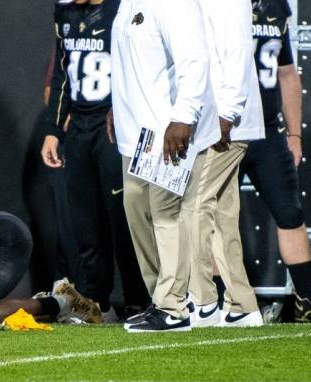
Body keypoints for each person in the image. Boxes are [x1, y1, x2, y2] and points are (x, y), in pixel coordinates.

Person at [111, 0, 221, 332]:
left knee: (166, 215)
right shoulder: (125, 4)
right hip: (136, 136)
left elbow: (194, 60)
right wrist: (115, 107)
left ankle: (173, 307)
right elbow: (130, 63)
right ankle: (162, 299)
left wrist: (183, 117)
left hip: (167, 131)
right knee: (138, 213)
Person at [41, 0, 149, 322]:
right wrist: (53, 130)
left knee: (123, 221)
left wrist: (125, 109)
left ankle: (138, 302)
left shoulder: (122, 9)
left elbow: (138, 66)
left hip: (112, 127)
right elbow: (62, 74)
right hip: (78, 129)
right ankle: (96, 304)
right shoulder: (65, 13)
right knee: (86, 225)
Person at [185, 0, 266, 328]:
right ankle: (241, 305)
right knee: (221, 214)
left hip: (226, 124)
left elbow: (237, 51)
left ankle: (200, 301)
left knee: (194, 204)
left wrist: (226, 115)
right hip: (215, 120)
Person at [241, 0, 311, 322]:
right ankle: (218, 299)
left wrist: (294, 135)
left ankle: (306, 299)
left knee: (290, 211)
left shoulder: (276, 7)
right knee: (215, 217)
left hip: (269, 129)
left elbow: (287, 74)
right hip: (226, 130)